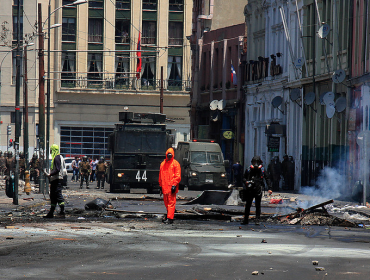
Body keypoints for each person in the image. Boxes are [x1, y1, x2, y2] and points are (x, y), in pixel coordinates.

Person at [242, 156, 269, 225]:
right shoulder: (249, 169)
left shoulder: (262, 170)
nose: (255, 164)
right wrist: (246, 182)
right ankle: (246, 220)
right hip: (250, 189)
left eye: (257, 162)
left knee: (258, 205)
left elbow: (267, 178)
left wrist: (270, 188)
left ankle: (257, 220)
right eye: (254, 162)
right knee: (248, 205)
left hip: (258, 189)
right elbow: (244, 178)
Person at [158, 147, 181, 224]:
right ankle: (168, 216)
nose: (169, 156)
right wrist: (160, 186)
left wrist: (174, 185)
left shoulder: (175, 164)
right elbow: (160, 176)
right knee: (166, 203)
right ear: (166, 155)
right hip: (165, 188)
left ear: (173, 155)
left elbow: (178, 176)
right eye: (168, 155)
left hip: (171, 188)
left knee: (171, 203)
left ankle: (170, 218)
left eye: (170, 155)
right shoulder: (162, 164)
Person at [44, 144, 65, 218]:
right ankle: (51, 213)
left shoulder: (56, 158)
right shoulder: (60, 157)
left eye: (51, 150)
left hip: (57, 179)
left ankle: (62, 212)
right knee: (53, 196)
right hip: (56, 179)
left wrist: (50, 174)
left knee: (58, 195)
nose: (50, 151)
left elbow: (58, 169)